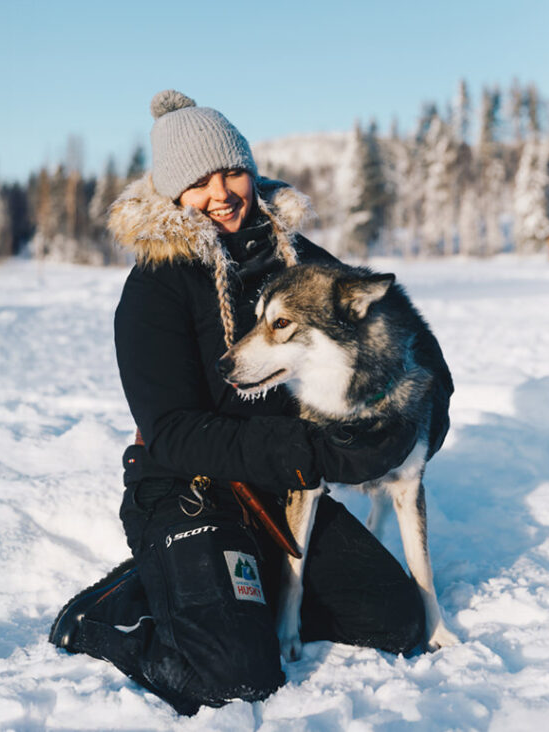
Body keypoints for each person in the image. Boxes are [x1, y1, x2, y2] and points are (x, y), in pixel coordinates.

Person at [49, 90, 452, 715]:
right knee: (235, 678)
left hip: (280, 489)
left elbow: (394, 326)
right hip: (191, 486)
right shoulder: (154, 288)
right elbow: (172, 431)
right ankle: (113, 611)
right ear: (172, 193)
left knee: (396, 623)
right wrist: (310, 449)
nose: (221, 193)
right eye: (199, 182)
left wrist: (423, 415)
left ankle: (234, 591)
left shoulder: (293, 258)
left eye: (231, 172)